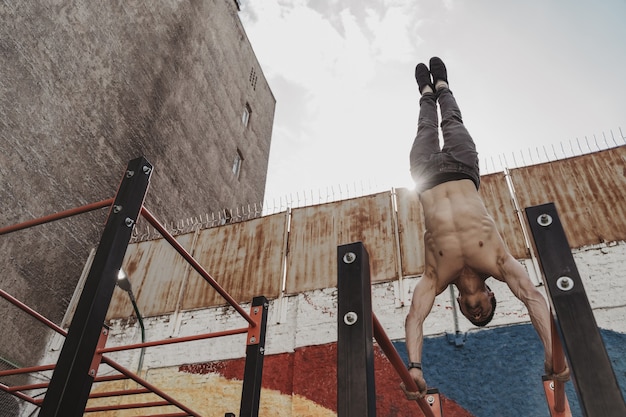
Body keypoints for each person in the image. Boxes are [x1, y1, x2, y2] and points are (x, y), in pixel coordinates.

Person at [403, 57, 568, 398]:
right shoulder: (499, 263)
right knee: (451, 119)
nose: (478, 315)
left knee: (425, 129)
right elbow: (531, 296)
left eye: (473, 317)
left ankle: (424, 93)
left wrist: (415, 368)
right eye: (485, 314)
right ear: (492, 296)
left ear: (459, 306)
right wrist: (552, 353)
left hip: (426, 176)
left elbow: (415, 317)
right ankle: (442, 86)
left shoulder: (435, 277)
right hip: (463, 168)